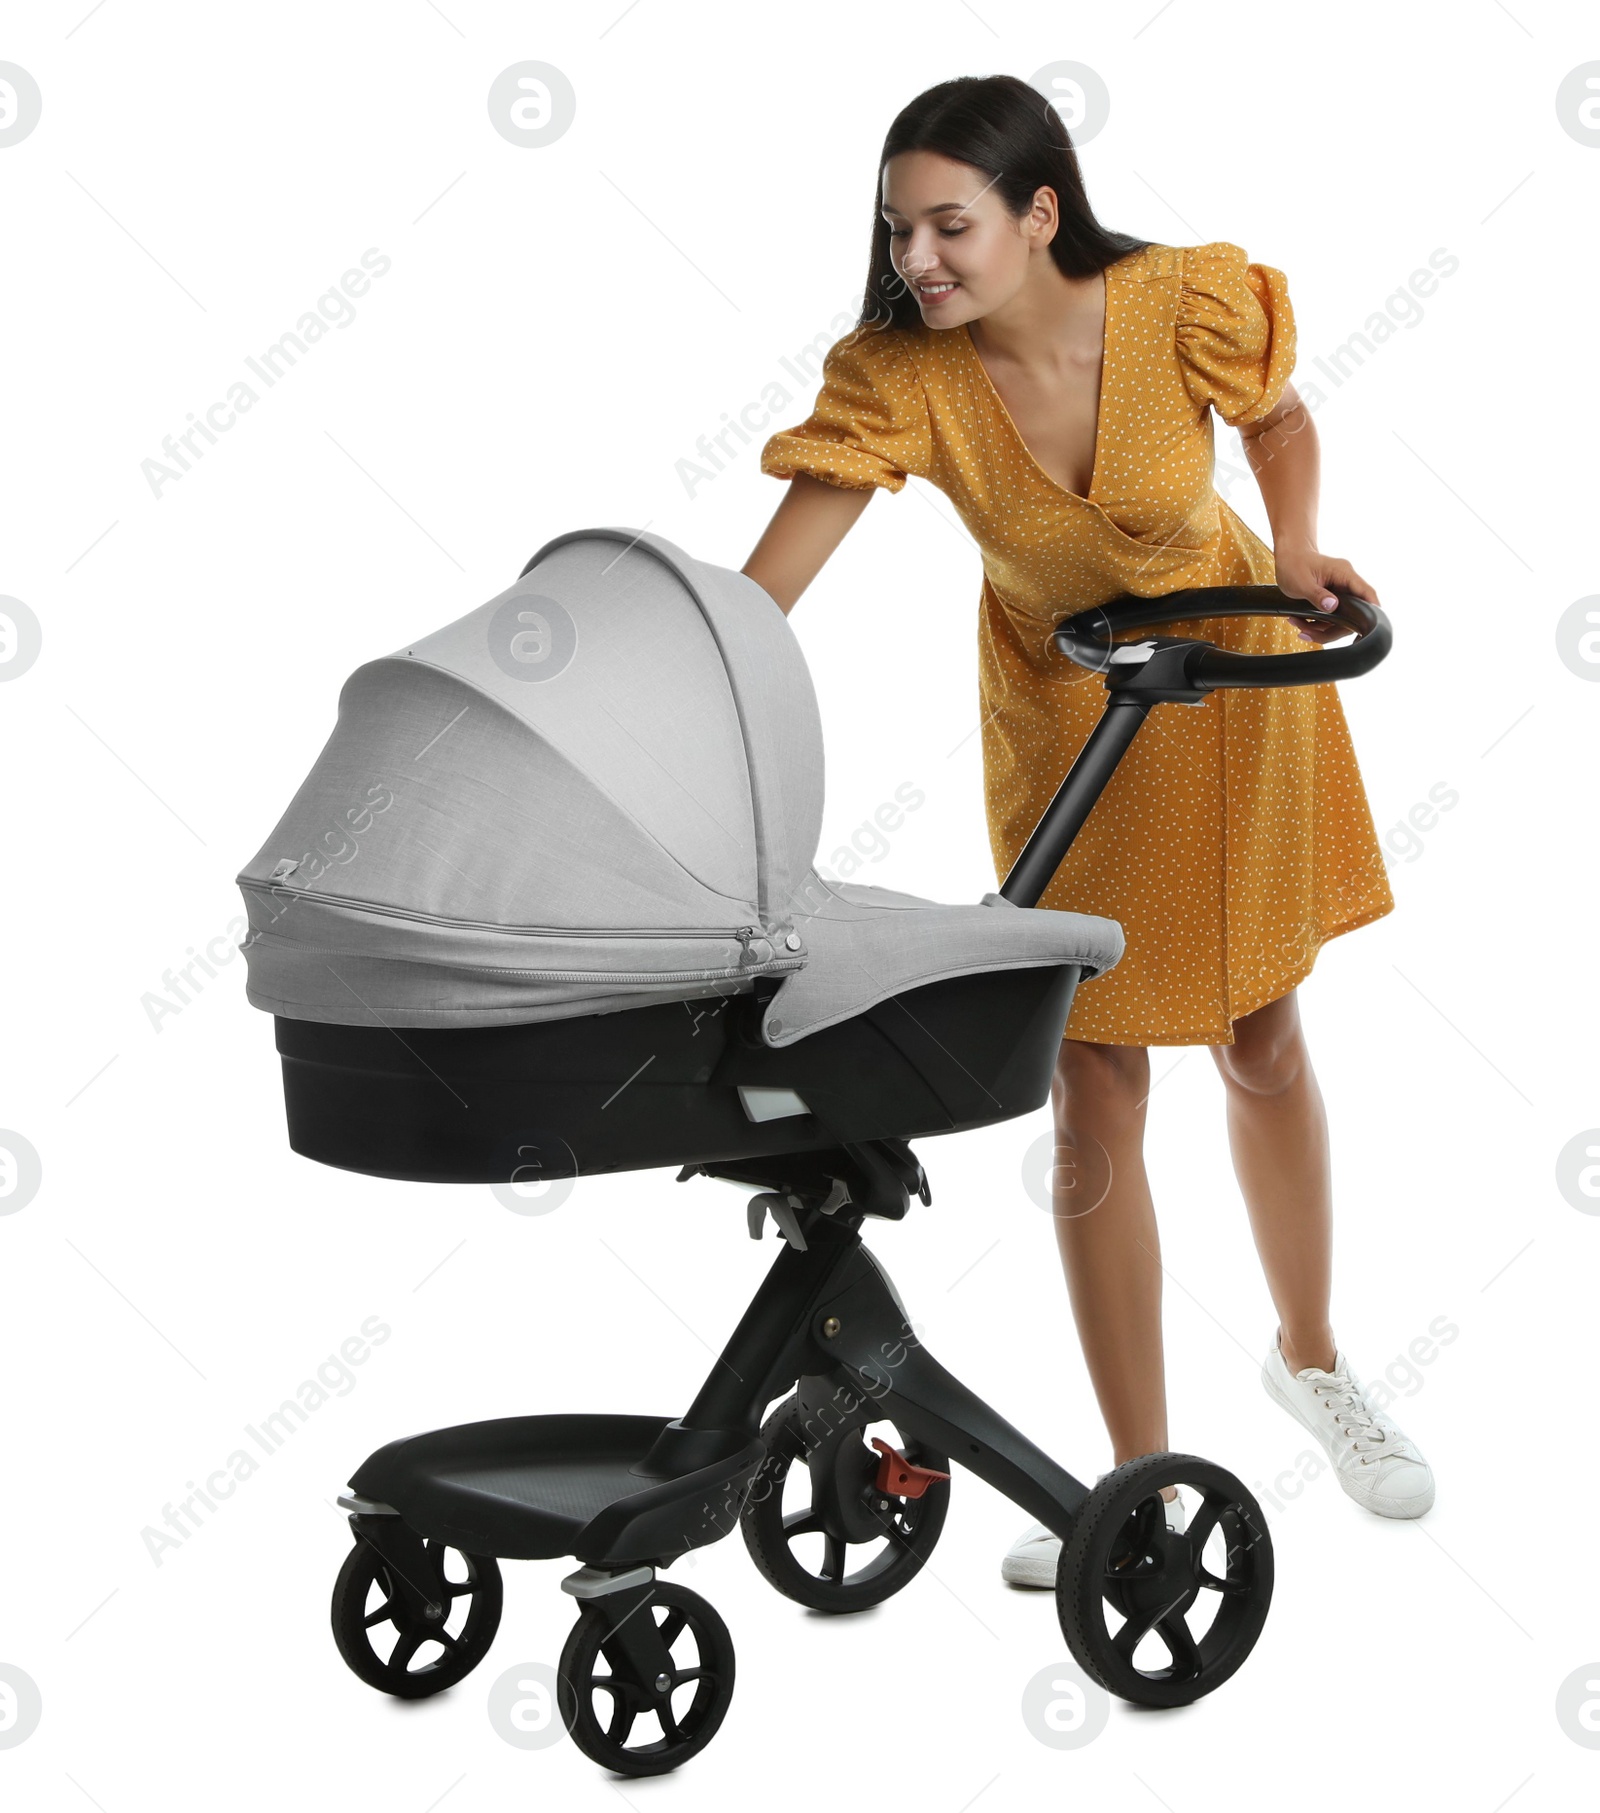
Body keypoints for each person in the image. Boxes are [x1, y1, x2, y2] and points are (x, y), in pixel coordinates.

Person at [741, 73, 1435, 1589]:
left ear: (1039, 212)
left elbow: (1283, 416)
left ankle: (1312, 1361)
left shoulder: (1173, 302)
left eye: (950, 223)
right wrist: (693, 658)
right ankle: (1130, 1488)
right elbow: (773, 578)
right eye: (898, 229)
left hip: (1233, 682)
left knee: (1260, 1034)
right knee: (1094, 1076)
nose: (918, 256)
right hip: (1073, 720)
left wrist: (1301, 546)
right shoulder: (901, 376)